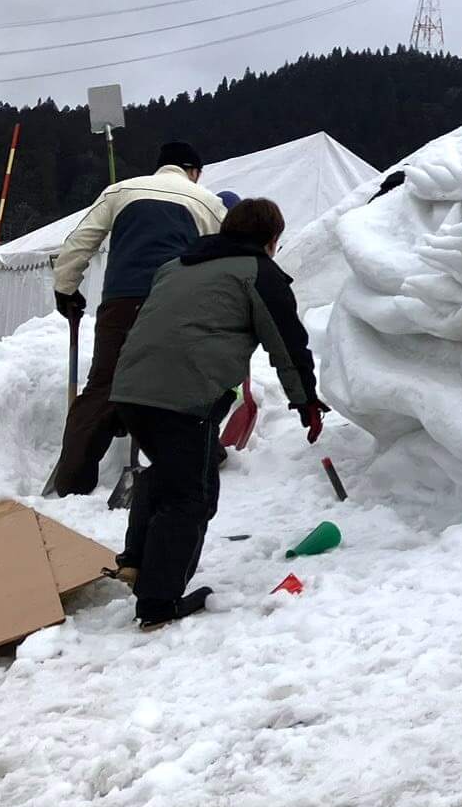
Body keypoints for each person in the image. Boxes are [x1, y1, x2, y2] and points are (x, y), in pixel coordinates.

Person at [108, 197, 329, 629]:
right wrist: (305, 400)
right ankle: (158, 602)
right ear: (272, 239)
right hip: (184, 396)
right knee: (192, 496)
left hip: (131, 390)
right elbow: (287, 341)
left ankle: (135, 561)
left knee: (167, 475)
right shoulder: (258, 272)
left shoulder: (176, 265)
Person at [45, 140, 229, 496]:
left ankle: (70, 483)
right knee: (182, 387)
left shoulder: (121, 190)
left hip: (123, 303)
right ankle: (199, 458)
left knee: (104, 387)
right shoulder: (209, 202)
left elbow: (79, 242)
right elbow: (226, 261)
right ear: (194, 171)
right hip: (178, 305)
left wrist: (66, 289)